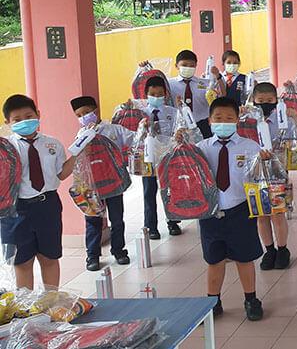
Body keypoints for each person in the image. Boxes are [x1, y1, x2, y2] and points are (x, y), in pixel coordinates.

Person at [194, 97, 269, 320]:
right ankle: (213, 301)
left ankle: (251, 299)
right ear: (209, 121)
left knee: (244, 258)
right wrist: (180, 144)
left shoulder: (250, 146)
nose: (223, 122)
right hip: (210, 213)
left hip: (240, 209)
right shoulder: (201, 148)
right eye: (218, 118)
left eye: (229, 118)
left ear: (237, 120)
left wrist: (266, 162)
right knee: (214, 260)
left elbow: (260, 178)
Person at [1, 95, 76, 289]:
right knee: (22, 262)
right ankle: (26, 308)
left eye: (29, 116)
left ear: (38, 115)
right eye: (17, 120)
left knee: (49, 257)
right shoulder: (6, 148)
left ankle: (51, 302)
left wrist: (77, 153)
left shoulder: (53, 144)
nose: (24, 122)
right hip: (17, 210)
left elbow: (60, 174)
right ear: (7, 122)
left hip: (47, 205)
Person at [70, 96, 133, 271]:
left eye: (87, 112)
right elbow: (76, 154)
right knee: (92, 220)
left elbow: (133, 139)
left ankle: (119, 250)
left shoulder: (113, 130)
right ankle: (92, 256)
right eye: (79, 115)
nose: (84, 117)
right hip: (91, 186)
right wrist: (86, 138)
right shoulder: (80, 134)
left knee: (117, 219)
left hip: (113, 183)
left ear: (95, 110)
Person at [249, 82, 292, 270]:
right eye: (260, 101)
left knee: (277, 214)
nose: (265, 104)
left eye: (269, 100)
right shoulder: (246, 122)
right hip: (255, 175)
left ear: (276, 100)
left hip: (276, 173)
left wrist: (295, 118)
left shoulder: (282, 119)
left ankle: (282, 249)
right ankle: (269, 250)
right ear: (253, 101)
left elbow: (295, 140)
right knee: (261, 215)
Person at [142, 75, 183, 238]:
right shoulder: (141, 113)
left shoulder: (173, 112)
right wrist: (142, 127)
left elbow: (179, 128)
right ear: (146, 94)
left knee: (170, 190)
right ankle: (151, 226)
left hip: (168, 156)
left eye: (160, 94)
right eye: (153, 94)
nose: (157, 97)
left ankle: (172, 221)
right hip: (148, 158)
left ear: (165, 95)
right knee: (148, 192)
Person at [158, 49, 222, 139]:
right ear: (176, 66)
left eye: (191, 66)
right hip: (179, 126)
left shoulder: (206, 84)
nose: (188, 68)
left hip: (203, 125)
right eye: (184, 65)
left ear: (196, 65)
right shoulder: (168, 84)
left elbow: (220, 97)